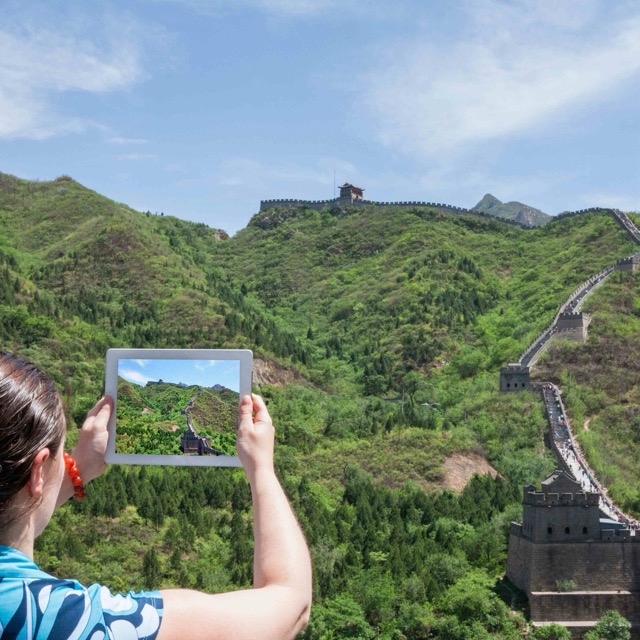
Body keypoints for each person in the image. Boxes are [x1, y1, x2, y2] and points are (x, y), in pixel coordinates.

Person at [0, 351, 312, 639]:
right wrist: (262, 470)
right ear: (38, 472)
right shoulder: (72, 620)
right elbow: (291, 603)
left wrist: (76, 469)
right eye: (61, 454)